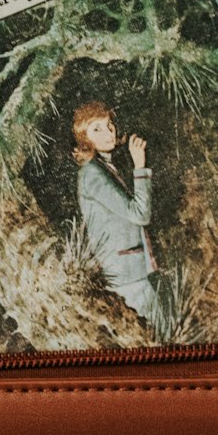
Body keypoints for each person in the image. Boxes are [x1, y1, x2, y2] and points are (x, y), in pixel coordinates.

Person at [72, 101, 157, 322]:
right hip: (126, 275)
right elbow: (140, 214)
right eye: (96, 129)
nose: (108, 133)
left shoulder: (103, 168)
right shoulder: (92, 173)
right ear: (83, 137)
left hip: (130, 270)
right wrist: (140, 166)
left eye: (109, 125)